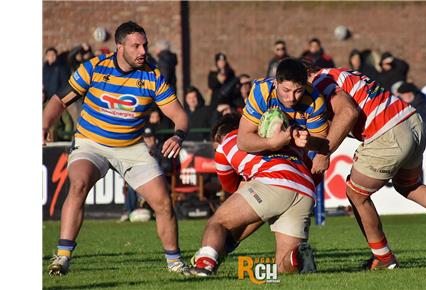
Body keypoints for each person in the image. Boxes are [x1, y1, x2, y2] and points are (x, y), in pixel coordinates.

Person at [42, 21, 190, 276]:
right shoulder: (94, 68)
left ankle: (176, 264)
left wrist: (177, 136)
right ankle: (62, 257)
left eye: (145, 44)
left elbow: (180, 115)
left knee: (163, 202)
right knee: (77, 184)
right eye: (136, 46)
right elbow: (59, 100)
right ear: (120, 47)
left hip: (131, 147)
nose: (143, 50)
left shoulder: (153, 76)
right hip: (91, 143)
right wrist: (44, 124)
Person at [308, 65, 426, 269]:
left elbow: (347, 113)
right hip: (411, 120)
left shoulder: (320, 81)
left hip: (387, 131)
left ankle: (383, 258)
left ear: (307, 74)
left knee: (356, 194)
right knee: (409, 185)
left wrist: (324, 152)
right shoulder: (341, 72)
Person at [187, 113, 317, 276]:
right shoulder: (279, 137)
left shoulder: (226, 143)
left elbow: (231, 187)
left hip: (272, 181)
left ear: (219, 137)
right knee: (283, 265)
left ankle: (204, 264)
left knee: (218, 221)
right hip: (305, 189)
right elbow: (310, 167)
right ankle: (296, 257)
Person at [237, 58, 329, 173]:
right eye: (286, 90)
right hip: (261, 151)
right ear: (276, 83)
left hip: (296, 156)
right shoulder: (262, 92)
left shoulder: (315, 101)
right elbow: (242, 141)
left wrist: (307, 141)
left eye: (298, 91)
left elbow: (322, 142)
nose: (291, 98)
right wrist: (271, 143)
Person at [43, 47, 73, 141]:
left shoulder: (61, 67)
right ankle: (50, 139)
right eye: (50, 55)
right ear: (46, 56)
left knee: (67, 120)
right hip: (47, 98)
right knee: (49, 121)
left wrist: (62, 96)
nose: (52, 57)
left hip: (59, 99)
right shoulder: (45, 68)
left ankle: (66, 139)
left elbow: (65, 82)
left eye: (54, 55)